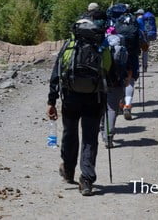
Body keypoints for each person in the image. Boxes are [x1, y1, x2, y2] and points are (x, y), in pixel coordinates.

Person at [48, 17, 110, 196]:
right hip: (95, 98)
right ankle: (87, 180)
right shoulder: (102, 46)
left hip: (70, 97)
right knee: (90, 137)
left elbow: (57, 74)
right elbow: (111, 72)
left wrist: (51, 101)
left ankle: (68, 170)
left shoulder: (69, 45)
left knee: (70, 133)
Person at [100, 26, 126, 147]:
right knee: (111, 110)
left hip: (99, 82)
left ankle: (101, 129)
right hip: (115, 83)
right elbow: (127, 67)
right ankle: (108, 136)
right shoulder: (121, 48)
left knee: (100, 107)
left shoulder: (101, 46)